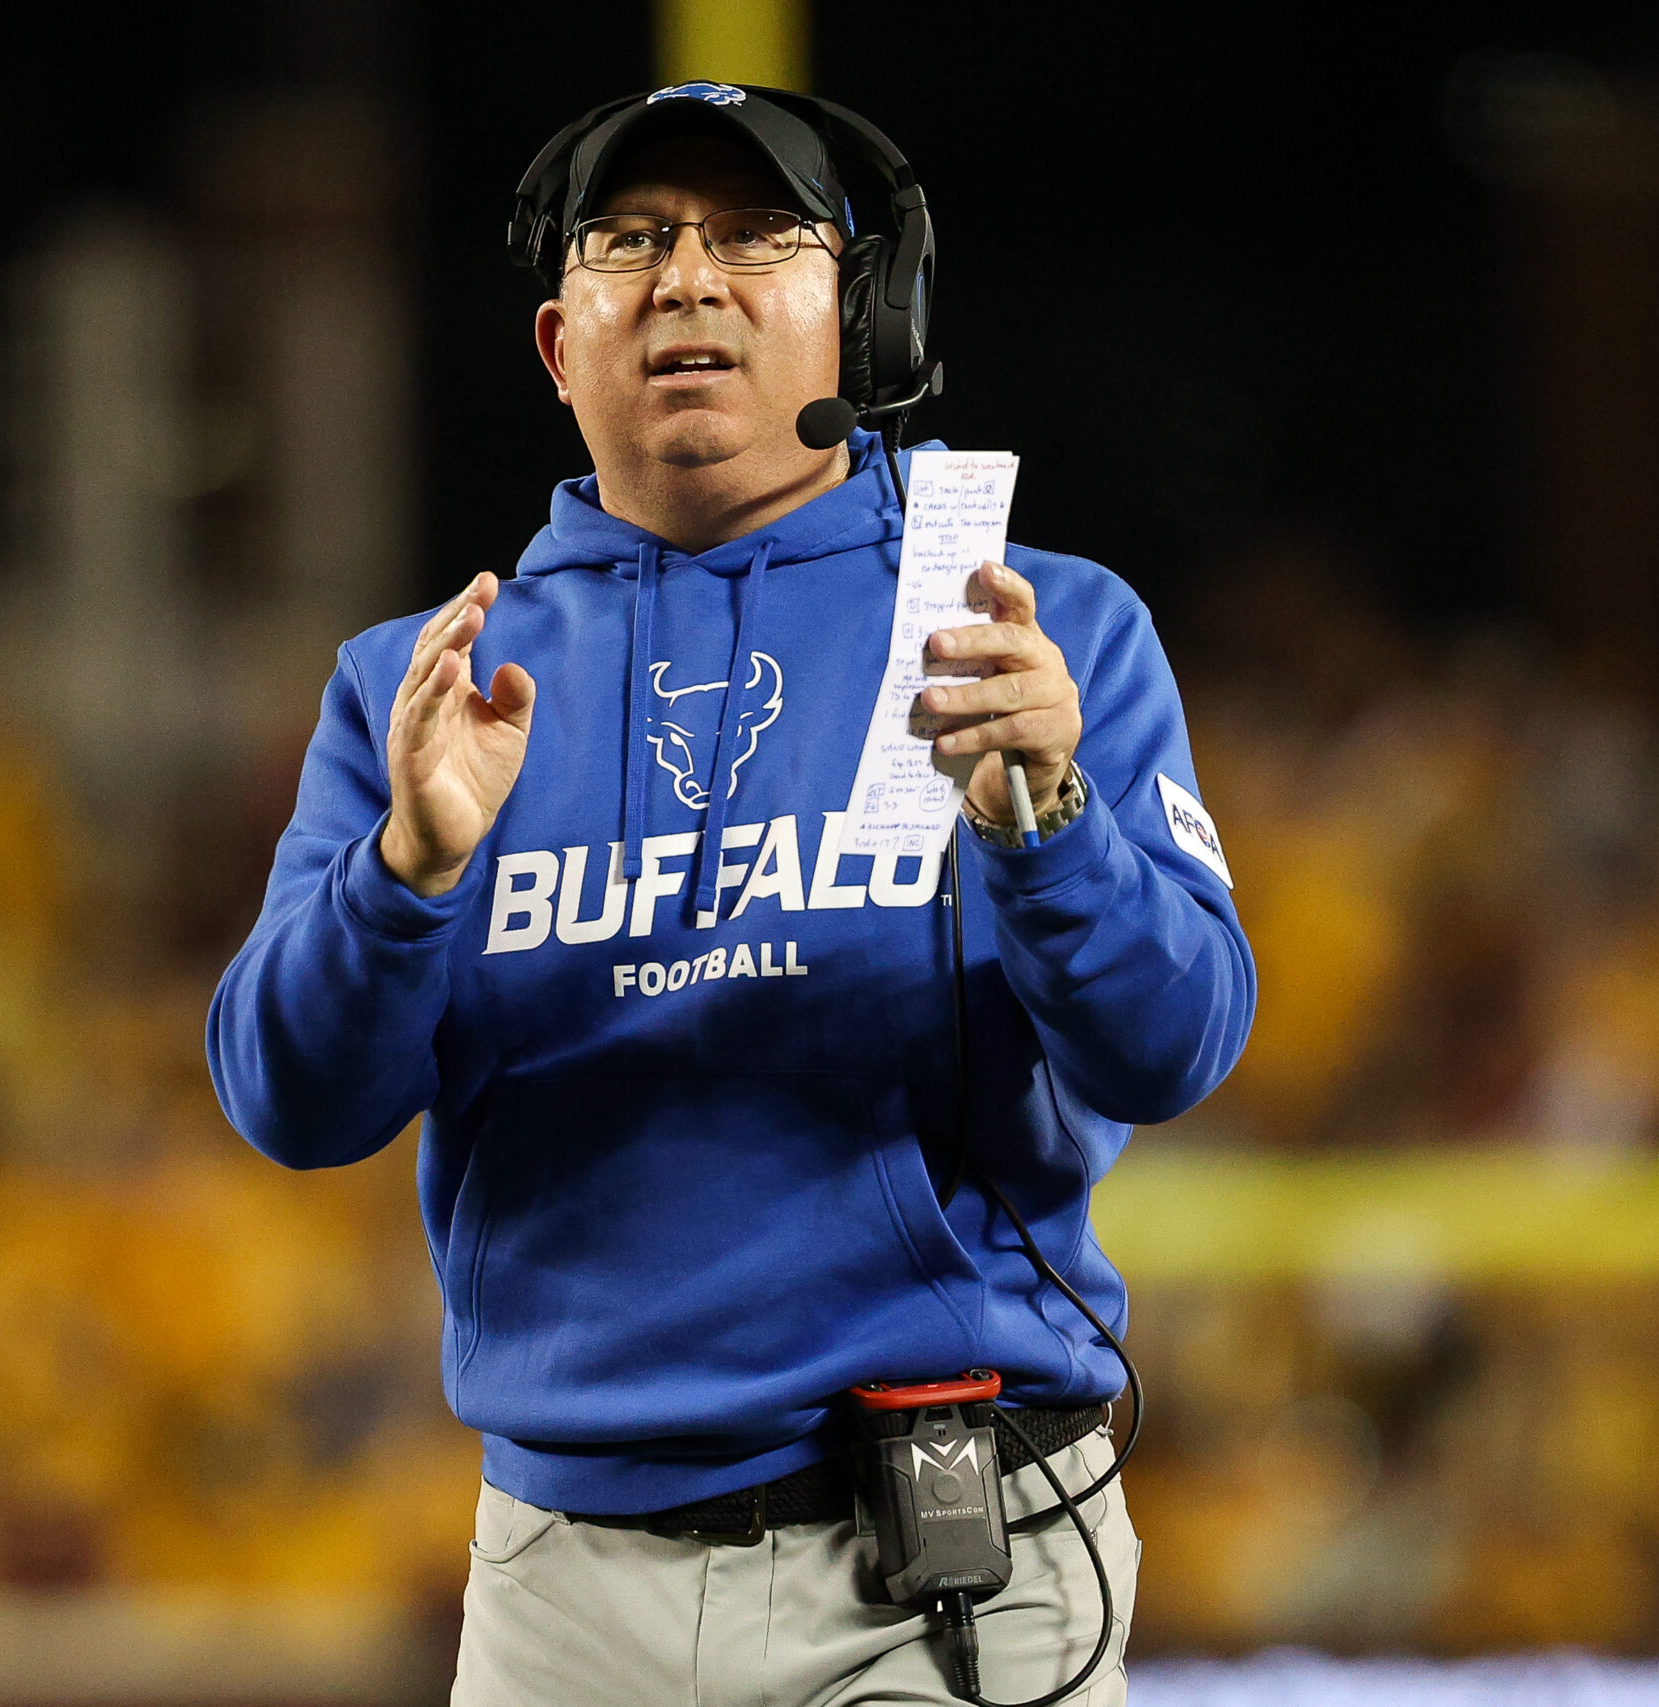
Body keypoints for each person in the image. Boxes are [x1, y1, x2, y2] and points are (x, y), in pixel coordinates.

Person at [207, 82, 1255, 1706]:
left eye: (758, 235)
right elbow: (289, 1103)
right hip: (566, 1585)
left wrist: (1051, 822)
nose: (691, 277)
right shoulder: (430, 683)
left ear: (863, 315)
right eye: (632, 241)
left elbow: (1174, 1047)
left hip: (941, 1561)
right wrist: (405, 875)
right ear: (563, 347)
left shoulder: (1023, 627)